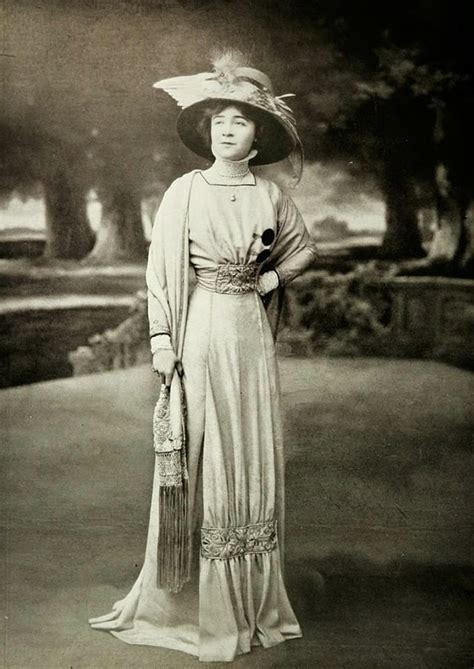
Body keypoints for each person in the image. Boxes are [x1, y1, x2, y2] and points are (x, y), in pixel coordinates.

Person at [89, 51, 318, 663]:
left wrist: (269, 282)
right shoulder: (184, 192)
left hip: (248, 335)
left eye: (239, 122)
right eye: (217, 119)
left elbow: (301, 251)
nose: (226, 129)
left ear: (257, 135)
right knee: (196, 454)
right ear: (205, 131)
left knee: (246, 446)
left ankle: (247, 604)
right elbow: (159, 274)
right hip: (199, 329)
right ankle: (186, 606)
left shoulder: (270, 195)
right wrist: (162, 343)